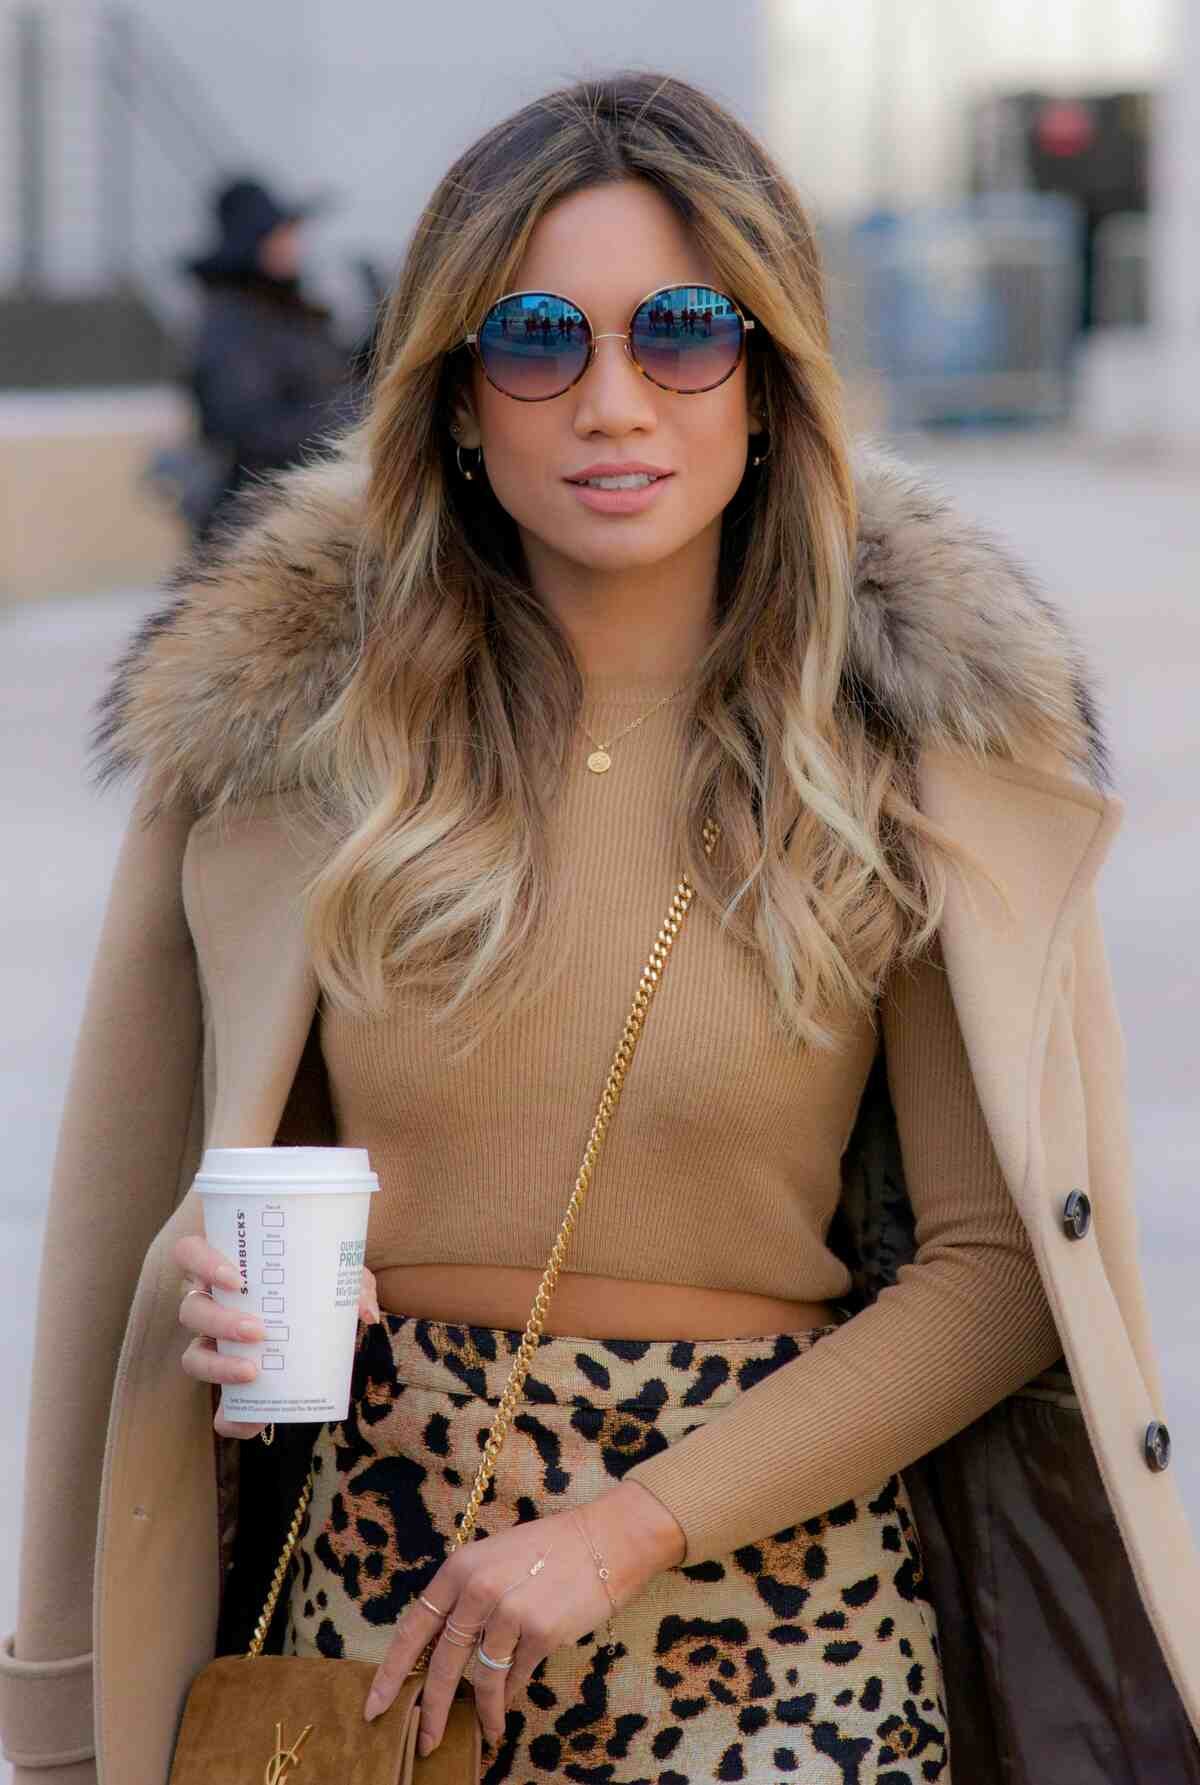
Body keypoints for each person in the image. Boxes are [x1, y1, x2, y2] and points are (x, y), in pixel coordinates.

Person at [2, 70, 1199, 1785]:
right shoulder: (296, 757)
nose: (615, 400)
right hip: (371, 1660)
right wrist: (198, 1302)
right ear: (462, 398)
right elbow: (150, 1201)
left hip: (783, 1658)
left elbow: (1004, 1275)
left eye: (686, 332)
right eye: (540, 339)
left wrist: (627, 1527)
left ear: (771, 384)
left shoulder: (912, 753)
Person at [180, 176, 366, 543]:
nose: (292, 244)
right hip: (260, 520)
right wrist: (348, 415)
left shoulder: (289, 310)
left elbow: (334, 373)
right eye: (279, 234)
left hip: (306, 502)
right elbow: (248, 427)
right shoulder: (231, 324)